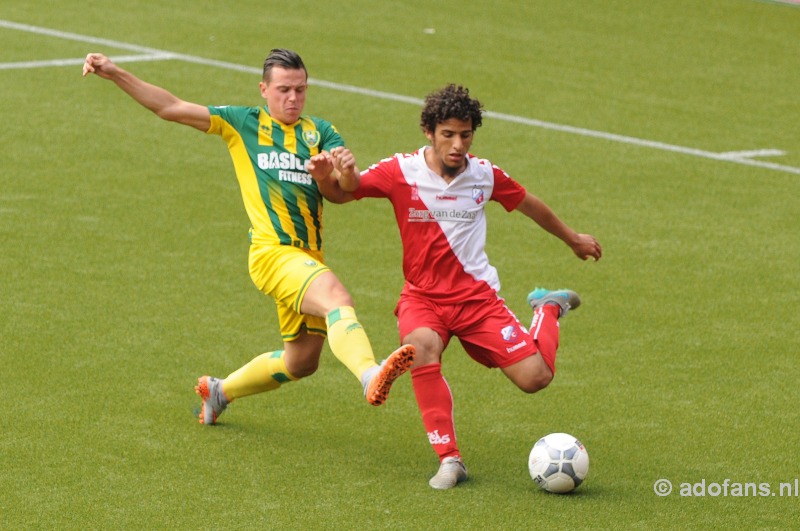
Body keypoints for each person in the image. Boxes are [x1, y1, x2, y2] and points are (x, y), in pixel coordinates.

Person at [82, 49, 415, 426]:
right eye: (284, 90)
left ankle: (219, 392)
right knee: (338, 298)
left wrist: (335, 173)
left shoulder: (319, 131)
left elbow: (344, 192)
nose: (293, 98)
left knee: (301, 361)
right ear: (263, 89)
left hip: (308, 257)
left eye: (301, 90)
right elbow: (170, 107)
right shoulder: (241, 123)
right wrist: (114, 73)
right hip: (272, 254)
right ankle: (370, 374)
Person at [307, 84, 602, 489]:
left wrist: (572, 239)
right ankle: (450, 459)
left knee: (536, 378)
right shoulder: (401, 170)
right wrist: (328, 178)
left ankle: (547, 308)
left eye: (465, 135)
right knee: (420, 348)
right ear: (429, 131)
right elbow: (345, 192)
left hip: (478, 301)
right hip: (423, 298)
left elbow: (530, 204)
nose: (458, 144)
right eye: (448, 134)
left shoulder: (484, 175)